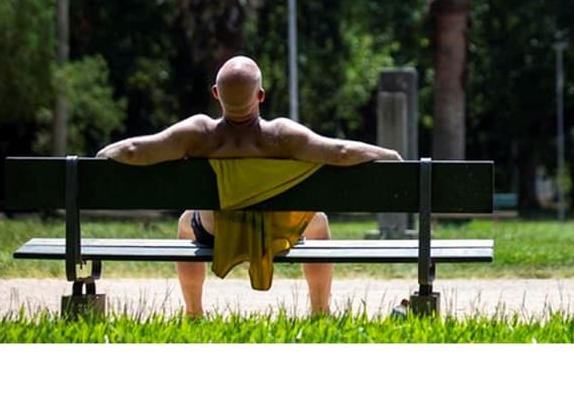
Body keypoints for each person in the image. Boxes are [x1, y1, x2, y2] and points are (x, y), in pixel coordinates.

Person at [96, 55, 402, 318]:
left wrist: (102, 156)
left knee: (186, 223)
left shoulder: (199, 132)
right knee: (318, 222)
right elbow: (341, 153)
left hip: (217, 233)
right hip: (275, 231)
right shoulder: (281, 134)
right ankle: (320, 311)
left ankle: (193, 312)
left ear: (216, 94)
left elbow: (138, 150)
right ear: (260, 96)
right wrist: (387, 155)